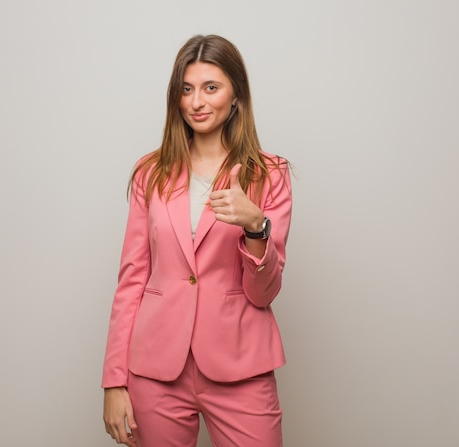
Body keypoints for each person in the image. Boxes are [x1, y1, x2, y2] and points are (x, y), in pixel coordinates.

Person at [102, 34, 292, 447]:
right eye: (187, 89)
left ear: (236, 95)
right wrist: (114, 381)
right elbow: (132, 279)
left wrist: (256, 225)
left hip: (240, 364)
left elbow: (263, 293)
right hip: (156, 368)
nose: (196, 102)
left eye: (211, 87)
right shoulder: (149, 172)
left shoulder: (270, 174)